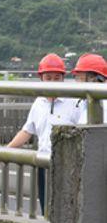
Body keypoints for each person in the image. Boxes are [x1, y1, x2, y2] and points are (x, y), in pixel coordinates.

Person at [7, 53, 80, 210]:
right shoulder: (38, 103)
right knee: (45, 205)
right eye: (48, 78)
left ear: (63, 78)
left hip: (67, 164)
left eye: (56, 78)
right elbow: (27, 131)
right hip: (43, 162)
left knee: (66, 208)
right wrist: (7, 150)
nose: (52, 82)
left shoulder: (74, 102)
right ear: (41, 78)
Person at [71, 53, 107, 124]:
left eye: (81, 78)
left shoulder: (103, 110)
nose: (77, 83)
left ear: (96, 80)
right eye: (77, 78)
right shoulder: (82, 103)